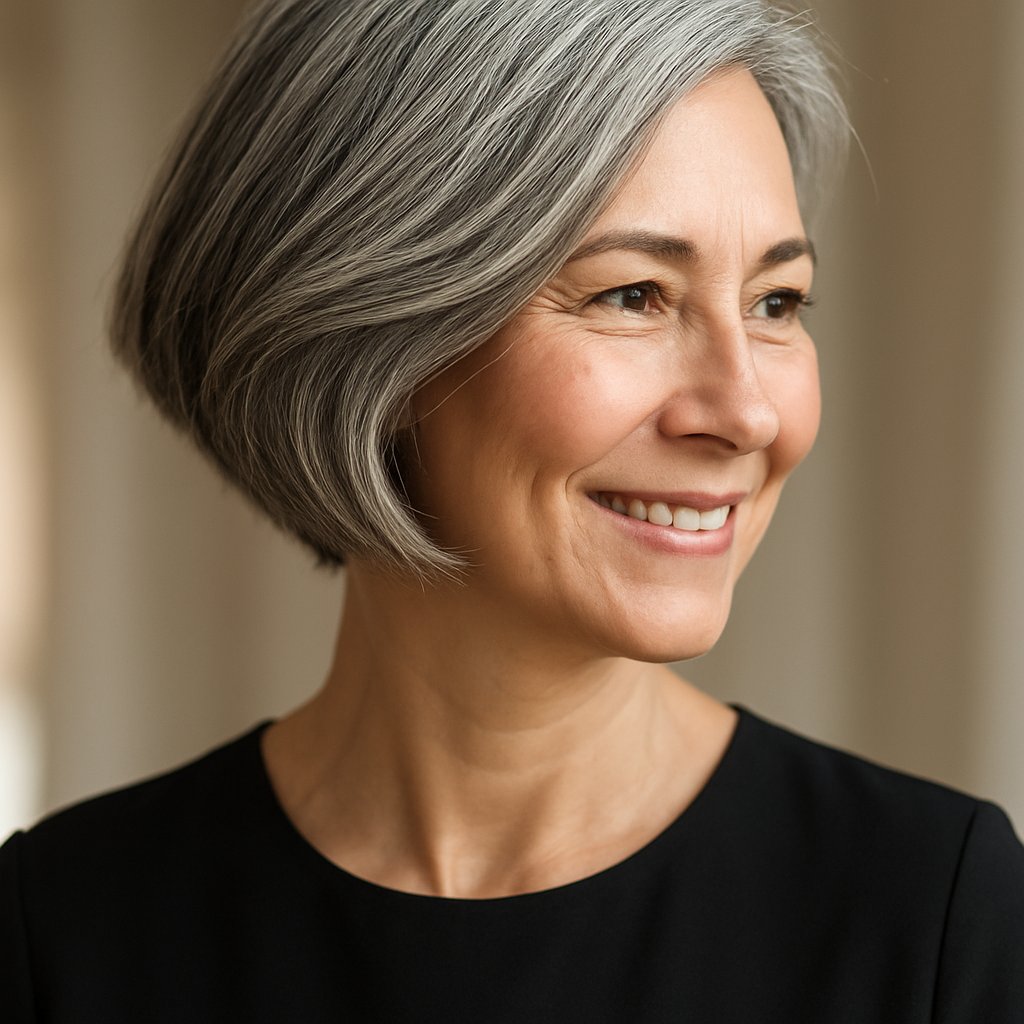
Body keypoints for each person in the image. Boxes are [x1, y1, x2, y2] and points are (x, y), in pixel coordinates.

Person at [2, 0, 1023, 1019]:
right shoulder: (60, 931)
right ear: (368, 338)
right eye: (633, 294)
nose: (748, 412)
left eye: (775, 303)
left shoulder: (936, 917)